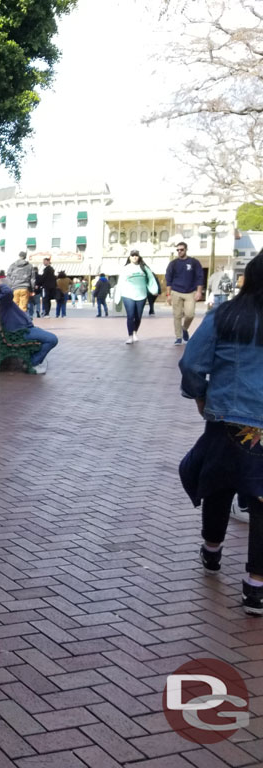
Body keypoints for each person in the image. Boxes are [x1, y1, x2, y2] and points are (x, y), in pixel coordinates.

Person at [178, 252, 263, 614]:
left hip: (229, 419)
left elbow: (192, 362)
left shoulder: (226, 315)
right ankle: (256, 587)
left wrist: (200, 395)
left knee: (217, 484)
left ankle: (212, 551)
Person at [0, 283, 58, 374]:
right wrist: (1, 284)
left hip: (24, 329)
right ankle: (34, 362)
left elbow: (8, 293)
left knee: (49, 338)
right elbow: (8, 292)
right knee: (52, 339)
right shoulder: (1, 299)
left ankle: (35, 359)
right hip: (21, 332)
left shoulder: (1, 299)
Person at [166, 242, 205, 345]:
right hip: (176, 291)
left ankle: (184, 328)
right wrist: (168, 295)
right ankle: (178, 337)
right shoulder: (173, 264)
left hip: (190, 292)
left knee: (190, 314)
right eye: (178, 250)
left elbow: (199, 277)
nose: (179, 251)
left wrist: (199, 292)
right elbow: (168, 280)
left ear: (186, 249)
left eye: (181, 249)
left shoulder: (194, 262)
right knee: (177, 315)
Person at [117, 250, 158, 344]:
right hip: (127, 295)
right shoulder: (125, 268)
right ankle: (130, 336)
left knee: (138, 316)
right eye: (132, 255)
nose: (134, 257)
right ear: (129, 257)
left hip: (141, 295)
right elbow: (120, 282)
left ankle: (135, 332)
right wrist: (117, 296)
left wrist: (154, 290)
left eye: (136, 255)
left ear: (139, 257)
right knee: (130, 316)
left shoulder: (144, 268)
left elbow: (151, 279)